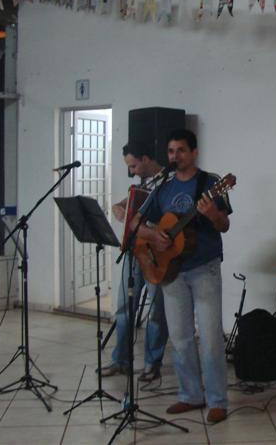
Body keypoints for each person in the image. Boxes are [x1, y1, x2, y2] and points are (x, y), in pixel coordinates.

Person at [133, 129, 231, 424]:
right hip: (171, 271)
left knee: (210, 338)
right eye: (171, 151)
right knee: (180, 338)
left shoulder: (211, 183)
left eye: (181, 150)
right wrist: (154, 236)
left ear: (194, 152)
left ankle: (217, 400)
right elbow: (136, 221)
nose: (175, 156)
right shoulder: (163, 186)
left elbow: (224, 225)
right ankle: (190, 395)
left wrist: (212, 214)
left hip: (204, 269)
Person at [101, 142, 169, 382]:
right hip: (134, 251)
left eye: (134, 166)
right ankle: (121, 360)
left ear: (146, 158)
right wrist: (119, 207)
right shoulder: (143, 183)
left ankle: (152, 363)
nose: (131, 171)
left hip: (155, 254)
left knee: (157, 311)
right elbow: (131, 202)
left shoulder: (169, 181)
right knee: (124, 307)